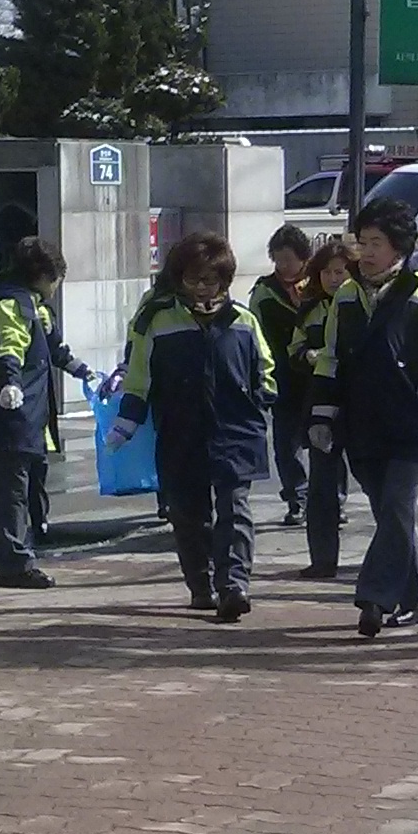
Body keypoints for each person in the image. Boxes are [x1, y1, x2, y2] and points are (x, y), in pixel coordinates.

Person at [313, 196, 418, 640]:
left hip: (411, 426)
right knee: (391, 517)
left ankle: (374, 597)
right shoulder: (345, 296)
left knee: (397, 507)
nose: (366, 252)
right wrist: (322, 415)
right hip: (362, 425)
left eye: (376, 243)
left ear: (399, 246)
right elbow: (330, 359)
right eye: (362, 242)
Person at [112, 230, 273, 620]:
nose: (202, 287)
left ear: (224, 280)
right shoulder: (155, 321)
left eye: (211, 280)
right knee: (188, 515)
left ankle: (234, 585)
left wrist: (264, 398)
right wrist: (126, 422)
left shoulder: (243, 320)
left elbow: (265, 370)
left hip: (236, 431)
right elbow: (138, 377)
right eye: (193, 279)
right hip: (179, 431)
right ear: (179, 279)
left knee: (235, 509)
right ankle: (201, 585)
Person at [0, 236, 80, 590]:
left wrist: (83, 372)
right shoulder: (11, 305)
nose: (56, 288)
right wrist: (10, 383)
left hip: (26, 417)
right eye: (57, 279)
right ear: (44, 276)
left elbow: (54, 349)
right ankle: (15, 565)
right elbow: (10, 348)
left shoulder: (34, 306)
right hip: (4, 418)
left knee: (4, 492)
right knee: (12, 493)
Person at [286, 236, 357, 580]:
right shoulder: (311, 308)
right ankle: (323, 559)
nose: (333, 278)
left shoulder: (361, 304)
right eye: (327, 272)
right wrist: (308, 356)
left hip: (361, 402)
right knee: (321, 484)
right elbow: (294, 349)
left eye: (340, 272)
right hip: (320, 402)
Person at [250, 228, 315, 529]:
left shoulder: (320, 285)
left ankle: (332, 501)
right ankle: (297, 499)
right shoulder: (264, 292)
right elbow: (254, 335)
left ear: (304, 258)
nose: (283, 266)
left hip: (318, 376)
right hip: (283, 378)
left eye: (289, 259)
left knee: (326, 442)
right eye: (278, 259)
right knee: (287, 446)